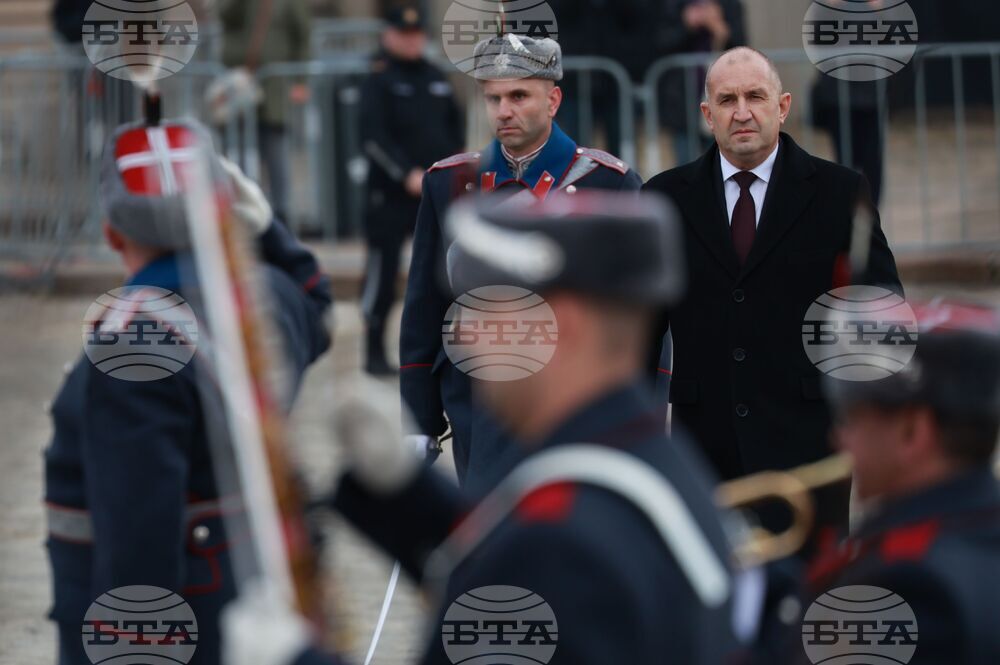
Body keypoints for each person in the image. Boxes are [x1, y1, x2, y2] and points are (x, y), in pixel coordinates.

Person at [222, 192, 758, 665]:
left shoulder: (558, 549)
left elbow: (537, 563)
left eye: (489, 312)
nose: (467, 337)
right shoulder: (652, 460)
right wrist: (406, 492)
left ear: (563, 327)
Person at [44, 119, 332, 665]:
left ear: (112, 233)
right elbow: (315, 301)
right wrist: (265, 230)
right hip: (257, 606)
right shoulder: (265, 296)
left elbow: (139, 547)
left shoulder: (132, 345)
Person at [643, 47, 902, 537]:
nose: (742, 112)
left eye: (755, 97)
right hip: (704, 449)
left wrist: (870, 427)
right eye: (727, 100)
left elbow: (881, 315)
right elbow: (638, 333)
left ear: (782, 107)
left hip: (810, 447)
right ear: (707, 115)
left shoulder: (840, 193)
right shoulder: (663, 199)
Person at [400, 33, 643, 487]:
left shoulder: (609, 184)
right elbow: (424, 307)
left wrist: (643, 407)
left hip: (578, 401)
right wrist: (419, 415)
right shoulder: (448, 183)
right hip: (476, 401)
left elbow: (644, 316)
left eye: (518, 96)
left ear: (553, 100)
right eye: (493, 98)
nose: (503, 111)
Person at [791, 301, 1000, 664]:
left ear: (911, 431)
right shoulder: (979, 528)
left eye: (852, 418)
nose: (838, 438)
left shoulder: (912, 586)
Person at [359, 3, 464, 376]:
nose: (411, 41)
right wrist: (405, 174)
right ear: (388, 36)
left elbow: (454, 128)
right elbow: (372, 137)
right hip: (389, 196)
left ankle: (439, 352)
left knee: (442, 274)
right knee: (382, 276)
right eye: (404, 34)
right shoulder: (378, 79)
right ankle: (373, 351)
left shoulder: (436, 77)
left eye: (417, 34)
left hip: (434, 194)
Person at [219, 0, 312, 224]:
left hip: (274, 88)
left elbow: (302, 35)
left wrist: (301, 80)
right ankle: (242, 212)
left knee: (275, 152)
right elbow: (226, 17)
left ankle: (280, 216)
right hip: (240, 83)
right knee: (237, 154)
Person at [657, 0, 747, 165]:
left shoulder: (730, 5)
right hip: (683, 101)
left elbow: (743, 50)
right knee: (685, 164)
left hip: (722, 100)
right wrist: (687, 26)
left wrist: (720, 30)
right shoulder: (674, 5)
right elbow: (661, 44)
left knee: (720, 163)